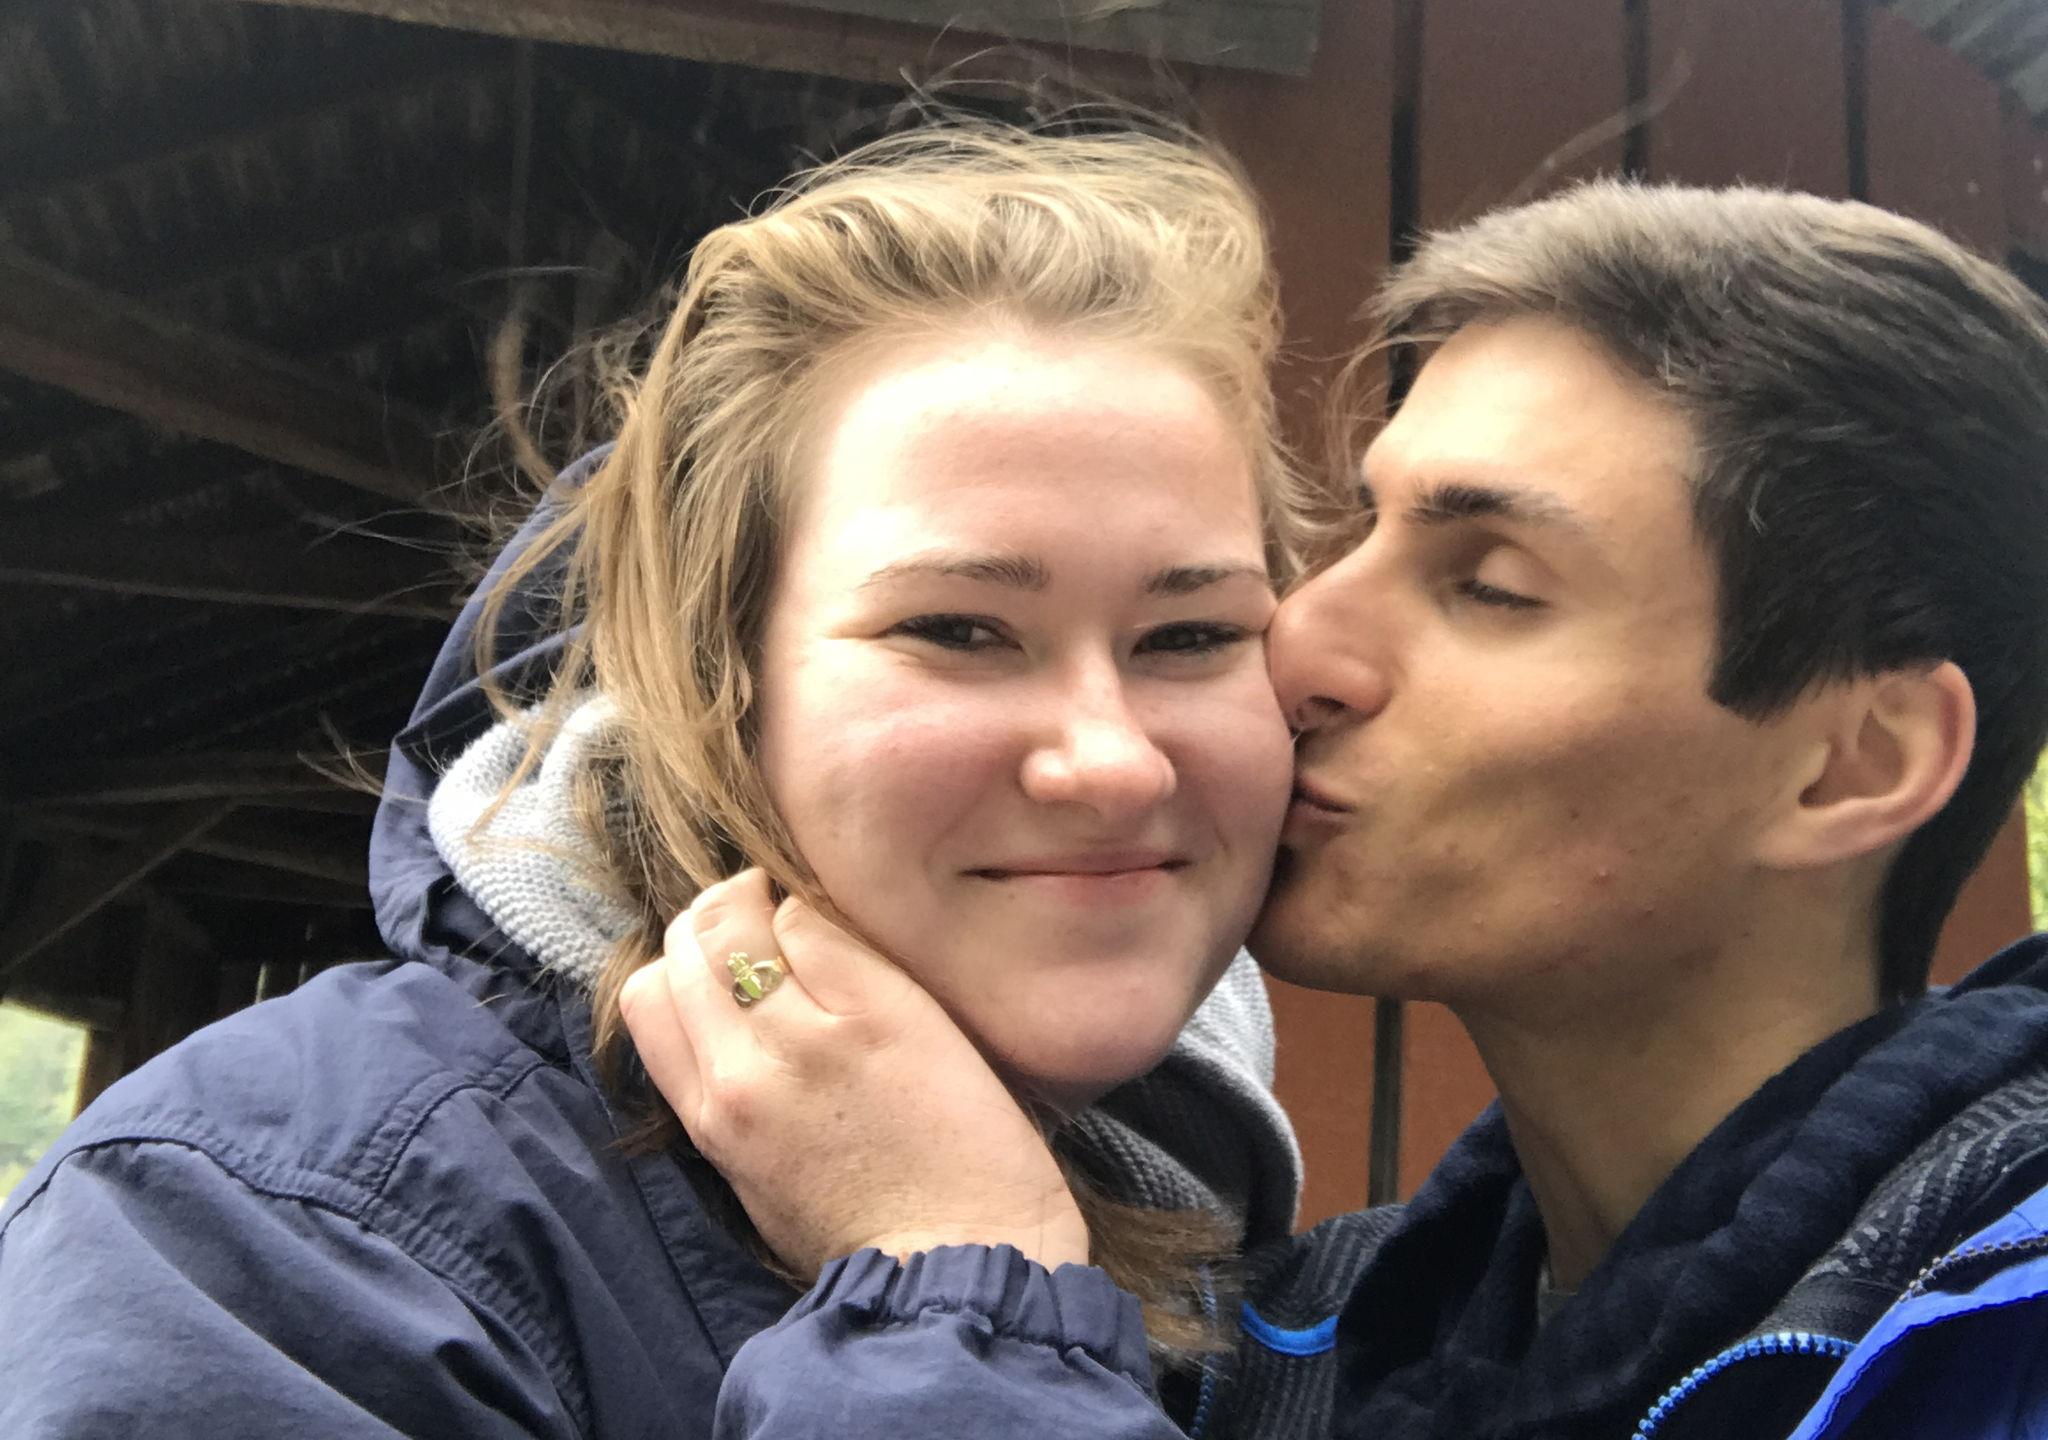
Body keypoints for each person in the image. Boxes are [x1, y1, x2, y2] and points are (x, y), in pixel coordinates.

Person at [627, 179, 2048, 1440]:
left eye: (1489, 586)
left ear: (1853, 764)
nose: (1294, 645)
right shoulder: (1292, 1355)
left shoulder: (1996, 1335)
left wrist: (954, 1275)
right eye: (1356, 534)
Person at [0, 121, 1316, 1436]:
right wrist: (958, 1285)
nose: (1111, 762)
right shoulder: (265, 1228)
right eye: (956, 631)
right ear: (711, 680)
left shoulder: (1302, 1257)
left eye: (1191, 637)